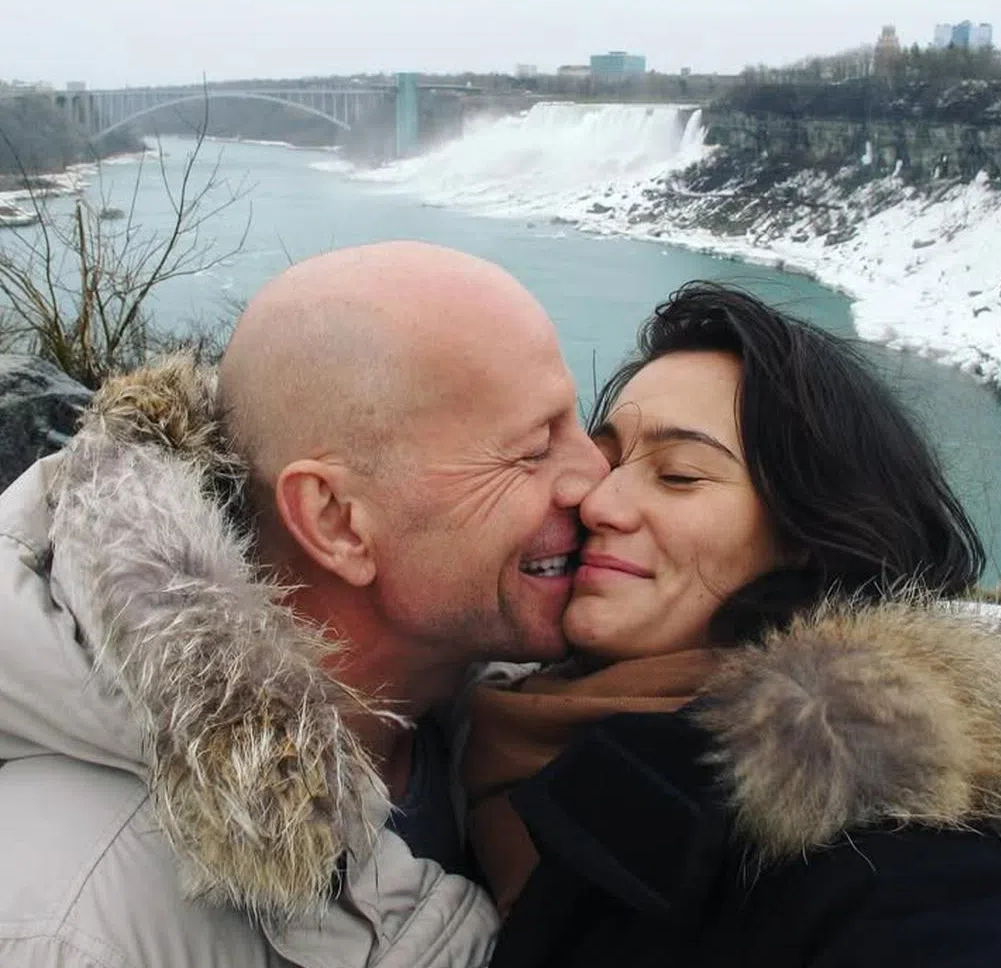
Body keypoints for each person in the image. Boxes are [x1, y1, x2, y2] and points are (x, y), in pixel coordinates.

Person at [463, 281, 1001, 968]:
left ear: (805, 535)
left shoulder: (842, 792)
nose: (598, 500)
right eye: (606, 461)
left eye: (679, 475)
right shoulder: (480, 715)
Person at [0, 242, 608, 968]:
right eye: (533, 451)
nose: (598, 479)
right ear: (335, 522)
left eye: (581, 425)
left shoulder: (484, 716)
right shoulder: (71, 921)